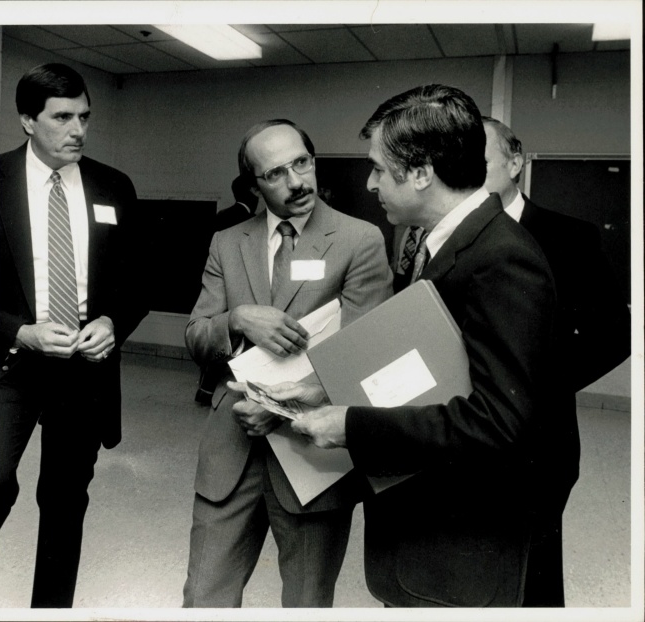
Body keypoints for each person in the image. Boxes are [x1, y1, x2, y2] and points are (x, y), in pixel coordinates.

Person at [260, 84, 574, 607]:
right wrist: (329, 388)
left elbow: (497, 422)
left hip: (461, 541)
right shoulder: (446, 244)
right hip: (432, 531)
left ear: (423, 171)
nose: (370, 182)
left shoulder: (502, 258)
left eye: (380, 169)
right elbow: (429, 365)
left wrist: (351, 424)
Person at [0, 63, 148, 608]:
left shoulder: (112, 186)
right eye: (62, 117)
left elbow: (138, 282)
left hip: (84, 370)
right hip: (9, 364)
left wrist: (112, 322)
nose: (78, 130)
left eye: (85, 116)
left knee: (66, 500)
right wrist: (20, 331)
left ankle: (51, 611)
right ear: (27, 119)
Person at [182, 119, 393, 607]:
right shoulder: (227, 242)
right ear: (253, 184)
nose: (297, 181)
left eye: (302, 163)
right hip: (230, 453)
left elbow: (366, 353)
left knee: (306, 603)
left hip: (312, 459)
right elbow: (196, 335)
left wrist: (277, 408)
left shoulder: (359, 240)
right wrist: (237, 319)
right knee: (203, 597)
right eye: (276, 173)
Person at [482, 116, 631, 391]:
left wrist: (536, 389)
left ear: (514, 164)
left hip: (538, 422)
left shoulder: (571, 238)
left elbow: (614, 336)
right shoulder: (439, 236)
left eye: (479, 163)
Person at [194, 175, 260, 405]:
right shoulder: (252, 221)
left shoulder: (221, 216)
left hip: (216, 287)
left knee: (217, 339)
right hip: (243, 291)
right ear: (253, 193)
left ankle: (205, 391)